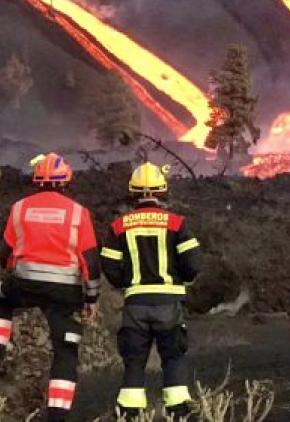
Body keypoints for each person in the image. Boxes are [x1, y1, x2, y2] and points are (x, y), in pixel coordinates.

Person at [0, 153, 101, 422]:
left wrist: (11, 272)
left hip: (25, 282)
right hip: (65, 292)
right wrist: (91, 298)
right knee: (66, 349)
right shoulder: (78, 212)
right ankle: (57, 414)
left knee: (2, 299)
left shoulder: (19, 208)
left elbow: (6, 253)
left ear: (36, 180)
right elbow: (91, 262)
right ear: (66, 181)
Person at [100, 162, 201, 419]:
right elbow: (193, 263)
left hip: (135, 304)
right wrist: (182, 278)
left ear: (133, 193)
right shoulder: (177, 223)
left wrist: (124, 282)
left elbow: (109, 264)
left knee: (134, 359)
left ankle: (130, 412)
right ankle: (178, 411)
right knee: (173, 356)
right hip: (168, 304)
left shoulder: (119, 226)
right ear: (163, 191)